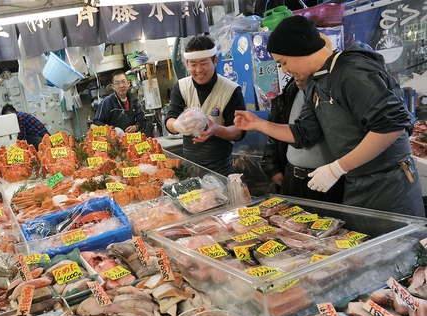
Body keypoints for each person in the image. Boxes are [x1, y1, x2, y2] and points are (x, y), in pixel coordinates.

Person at [234, 16, 424, 217]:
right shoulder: (316, 82)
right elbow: (304, 133)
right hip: (355, 181)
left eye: (283, 62)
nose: (284, 70)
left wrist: (337, 168)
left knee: (398, 245)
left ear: (297, 51)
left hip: (389, 182)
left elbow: (391, 126)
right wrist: (258, 124)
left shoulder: (351, 70)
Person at [261, 63, 344, 203]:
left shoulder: (333, 91)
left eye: (287, 62)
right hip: (291, 178)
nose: (285, 70)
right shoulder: (290, 91)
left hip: (329, 180)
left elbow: (304, 134)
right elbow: (278, 129)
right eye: (281, 63)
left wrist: (257, 124)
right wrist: (272, 166)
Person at [165, 34, 246, 177]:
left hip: (221, 168)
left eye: (203, 63)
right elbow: (170, 120)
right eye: (193, 64)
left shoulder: (231, 90)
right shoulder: (181, 87)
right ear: (187, 64)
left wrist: (217, 130)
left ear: (215, 60)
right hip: (190, 166)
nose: (198, 70)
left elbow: (238, 132)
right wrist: (177, 125)